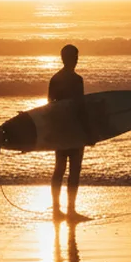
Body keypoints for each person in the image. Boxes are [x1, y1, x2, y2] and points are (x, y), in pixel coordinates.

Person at [49, 44, 94, 222]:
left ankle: (57, 210)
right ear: (66, 58)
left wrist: (51, 131)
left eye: (76, 56)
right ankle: (71, 211)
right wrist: (89, 132)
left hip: (60, 131)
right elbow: (80, 108)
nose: (76, 60)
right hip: (74, 131)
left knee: (59, 169)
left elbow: (50, 107)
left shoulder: (55, 79)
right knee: (73, 170)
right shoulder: (77, 80)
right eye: (74, 57)